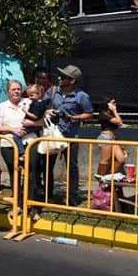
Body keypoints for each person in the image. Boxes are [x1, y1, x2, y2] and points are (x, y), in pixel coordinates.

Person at [44, 64, 94, 206]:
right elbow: (43, 106)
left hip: (71, 136)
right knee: (48, 165)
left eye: (64, 77)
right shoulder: (52, 91)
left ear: (72, 81)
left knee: (72, 166)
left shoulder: (81, 96)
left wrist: (74, 118)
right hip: (53, 135)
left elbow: (89, 113)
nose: (60, 78)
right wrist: (48, 112)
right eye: (60, 76)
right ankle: (48, 195)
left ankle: (72, 197)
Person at [0, 80, 29, 214]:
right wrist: (13, 130)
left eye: (18, 89)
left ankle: (29, 202)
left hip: (27, 144)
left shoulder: (27, 103)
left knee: (30, 173)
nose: (16, 91)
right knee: (15, 173)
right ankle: (17, 203)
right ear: (8, 92)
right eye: (13, 89)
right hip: (8, 145)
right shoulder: (2, 106)